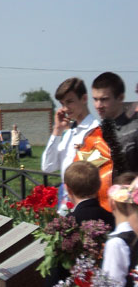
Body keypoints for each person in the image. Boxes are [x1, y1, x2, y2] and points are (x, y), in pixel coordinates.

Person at [42, 77, 101, 214]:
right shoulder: (69, 133)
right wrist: (57, 130)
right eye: (62, 104)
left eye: (70, 102)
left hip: (85, 201)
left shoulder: (96, 132)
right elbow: (48, 166)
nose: (65, 109)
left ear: (84, 98)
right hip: (66, 196)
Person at [92, 72, 138, 176]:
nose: (98, 105)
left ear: (120, 98)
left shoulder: (135, 129)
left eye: (104, 99)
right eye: (95, 99)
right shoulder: (96, 133)